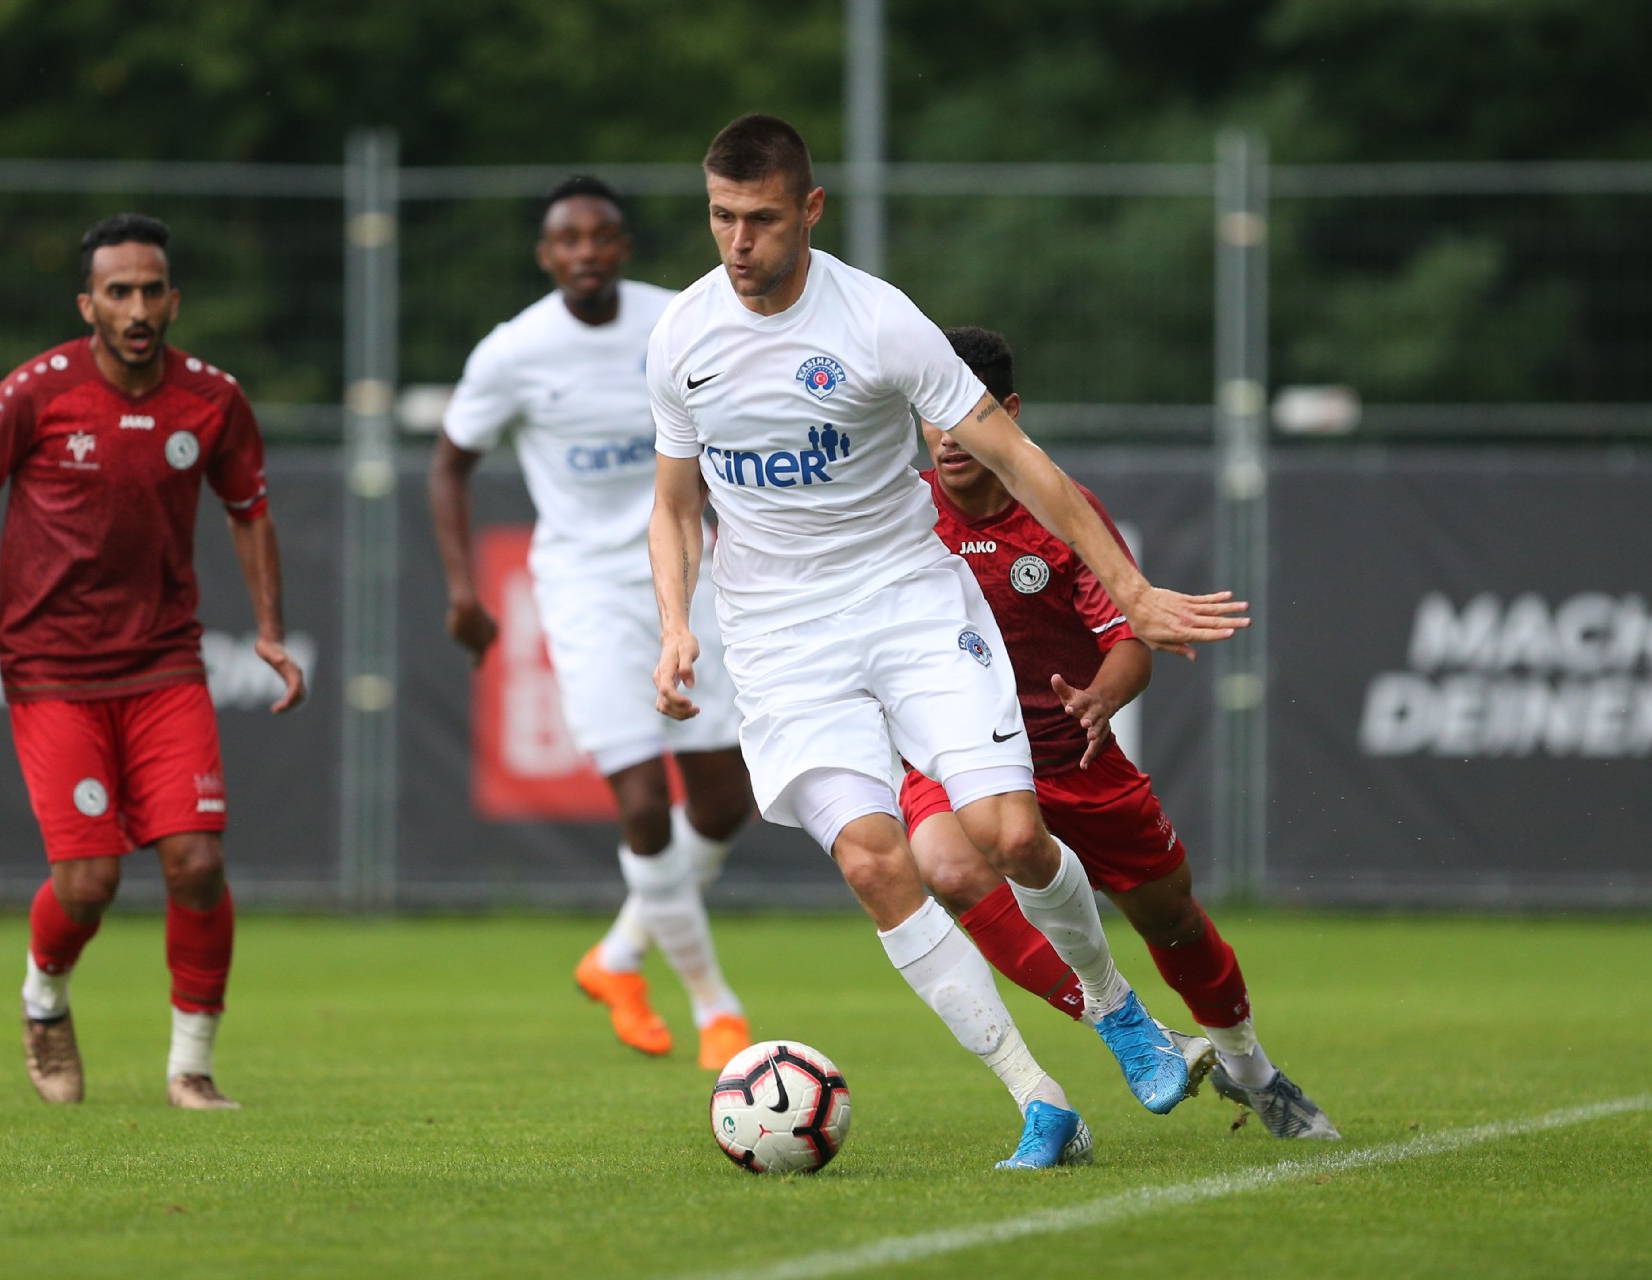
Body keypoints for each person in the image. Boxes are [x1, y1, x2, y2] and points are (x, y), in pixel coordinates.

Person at [648, 114, 1247, 1169]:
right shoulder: (681, 338)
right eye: (721, 217)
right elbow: (673, 504)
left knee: (1010, 837)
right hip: (780, 641)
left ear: (811, 209)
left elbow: (1020, 459)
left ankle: (1116, 1008)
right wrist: (674, 626)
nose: (738, 242)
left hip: (908, 604)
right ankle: (1039, 1098)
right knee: (876, 862)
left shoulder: (880, 323)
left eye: (762, 219)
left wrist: (1132, 592)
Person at [903, 325, 1338, 1139]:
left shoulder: (1059, 510)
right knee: (947, 865)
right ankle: (1127, 1026)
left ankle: (1251, 1069)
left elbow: (1129, 639)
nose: (948, 435)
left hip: (1076, 756)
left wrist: (1102, 698)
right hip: (957, 751)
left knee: (1172, 918)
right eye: (934, 414)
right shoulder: (902, 512)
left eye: (966, 413)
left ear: (1007, 413)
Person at [0, 213, 305, 1110]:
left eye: (150, 291)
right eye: (118, 293)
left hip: (163, 665)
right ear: (88, 305)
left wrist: (269, 628)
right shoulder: (35, 392)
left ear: (174, 301)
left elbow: (250, 509)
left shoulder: (213, 399)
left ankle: (192, 1067)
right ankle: (44, 999)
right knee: (90, 879)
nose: (136, 309)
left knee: (197, 862)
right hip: (53, 671)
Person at [431, 177, 755, 1070]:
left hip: (689, 573)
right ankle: (714, 1006)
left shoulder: (678, 319)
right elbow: (449, 464)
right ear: (546, 257)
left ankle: (617, 956)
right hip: (584, 591)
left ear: (623, 247)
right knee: (643, 803)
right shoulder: (514, 351)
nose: (585, 252)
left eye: (601, 236)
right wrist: (463, 592)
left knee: (727, 800)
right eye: (567, 240)